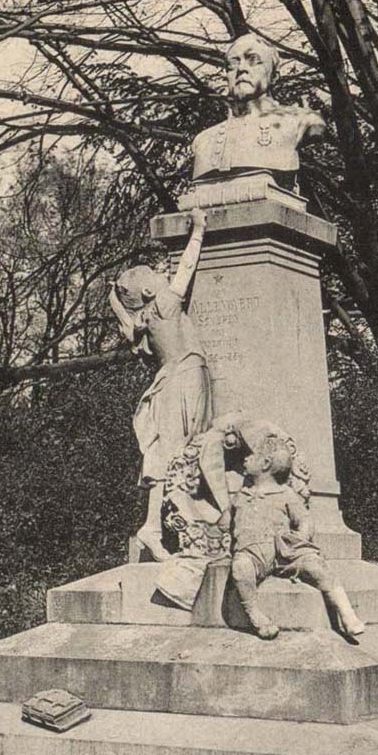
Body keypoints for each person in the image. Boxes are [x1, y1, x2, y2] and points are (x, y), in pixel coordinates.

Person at [109, 208, 212, 561]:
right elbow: (186, 269)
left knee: (178, 451)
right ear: (152, 289)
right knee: (178, 451)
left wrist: (114, 297)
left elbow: (123, 313)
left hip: (177, 377)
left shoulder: (144, 320)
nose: (163, 274)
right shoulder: (166, 305)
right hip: (184, 378)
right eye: (156, 274)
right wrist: (197, 231)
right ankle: (154, 527)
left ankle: (164, 524)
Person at [220, 433, 365, 640]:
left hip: (284, 551)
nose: (245, 459)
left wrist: (298, 539)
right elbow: (224, 524)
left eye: (251, 456)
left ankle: (347, 613)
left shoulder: (286, 494)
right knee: (240, 567)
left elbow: (304, 520)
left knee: (317, 566)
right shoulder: (240, 496)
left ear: (266, 463)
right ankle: (256, 615)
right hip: (252, 553)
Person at [191, 33, 325, 190]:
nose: (241, 69)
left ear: (274, 76)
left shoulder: (303, 120)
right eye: (233, 64)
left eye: (253, 60)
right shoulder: (204, 140)